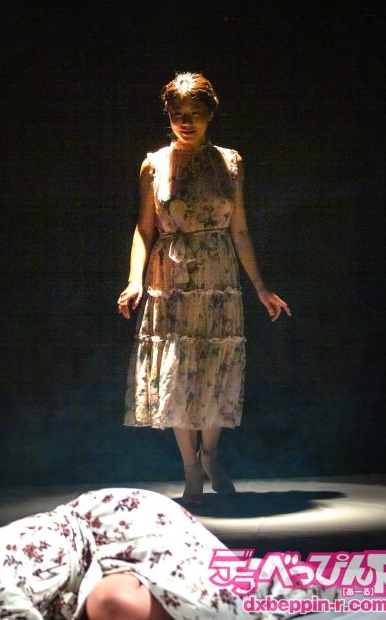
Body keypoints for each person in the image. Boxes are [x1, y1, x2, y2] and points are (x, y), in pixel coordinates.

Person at [118, 73, 291, 505]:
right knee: (179, 373)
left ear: (210, 115)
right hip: (171, 279)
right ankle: (190, 470)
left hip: (217, 278)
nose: (186, 122)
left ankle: (210, 454)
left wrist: (261, 287)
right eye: (178, 114)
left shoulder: (230, 162)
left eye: (195, 114)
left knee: (215, 370)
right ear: (168, 116)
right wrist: (134, 280)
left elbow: (240, 229)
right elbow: (144, 229)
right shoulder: (154, 164)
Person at [0, 487, 336, 620]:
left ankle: (278, 583)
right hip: (94, 562)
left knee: (113, 605)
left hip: (115, 526)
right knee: (109, 603)